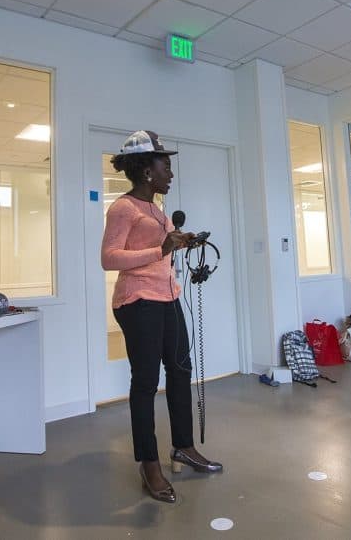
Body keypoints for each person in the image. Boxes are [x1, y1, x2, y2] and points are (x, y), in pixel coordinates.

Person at [100, 130, 223, 503]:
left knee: (180, 370)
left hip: (168, 297)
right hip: (137, 301)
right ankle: (149, 464)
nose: (171, 173)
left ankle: (183, 446)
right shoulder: (123, 208)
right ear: (146, 169)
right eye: (165, 165)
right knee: (145, 382)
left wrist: (182, 240)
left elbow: (162, 247)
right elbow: (109, 258)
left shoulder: (157, 208)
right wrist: (160, 248)